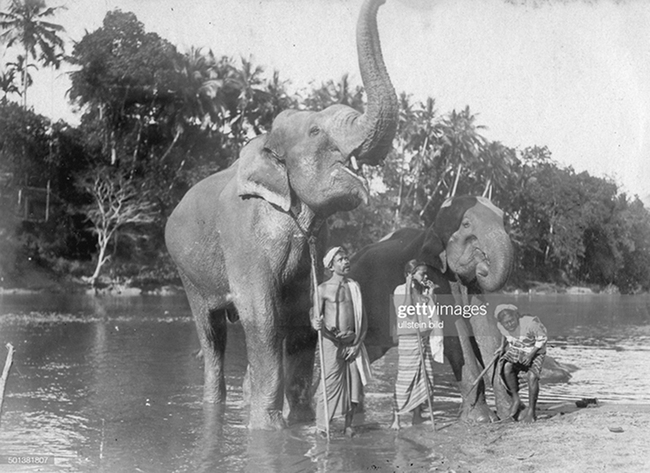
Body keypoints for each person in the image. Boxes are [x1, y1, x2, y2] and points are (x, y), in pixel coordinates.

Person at [312, 246, 372, 437]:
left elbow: (363, 319)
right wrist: (315, 323)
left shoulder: (354, 286)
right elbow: (315, 317)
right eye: (340, 259)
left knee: (354, 384)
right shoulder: (322, 290)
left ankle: (348, 425)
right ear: (331, 265)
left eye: (347, 258)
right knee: (328, 385)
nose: (346, 262)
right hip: (330, 342)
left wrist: (356, 344)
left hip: (352, 342)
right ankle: (323, 426)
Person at [390, 260, 444, 430]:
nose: (426, 276)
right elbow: (405, 309)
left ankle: (417, 416)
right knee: (405, 379)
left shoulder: (423, 293)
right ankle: (396, 419)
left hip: (423, 339)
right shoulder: (400, 290)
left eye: (426, 273)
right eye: (422, 273)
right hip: (409, 341)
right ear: (410, 275)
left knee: (425, 378)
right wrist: (407, 285)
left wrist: (430, 295)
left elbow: (432, 315)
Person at [494, 304, 548, 422]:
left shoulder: (530, 324)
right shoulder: (501, 325)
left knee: (532, 377)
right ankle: (516, 398)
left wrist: (531, 355)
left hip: (536, 350)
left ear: (517, 317)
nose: (510, 324)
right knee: (506, 367)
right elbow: (504, 333)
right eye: (506, 323)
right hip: (518, 348)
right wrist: (502, 347)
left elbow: (542, 339)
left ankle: (531, 412)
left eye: (512, 321)